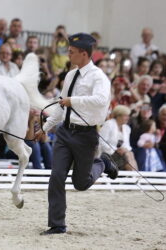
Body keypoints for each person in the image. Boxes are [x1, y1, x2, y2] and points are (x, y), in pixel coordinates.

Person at [35, 33, 118, 235]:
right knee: (56, 176)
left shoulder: (99, 77)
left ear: (84, 53)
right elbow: (60, 107)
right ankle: (57, 224)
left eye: (71, 52)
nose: (68, 55)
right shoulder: (70, 75)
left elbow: (100, 100)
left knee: (81, 183)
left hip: (86, 135)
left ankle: (102, 163)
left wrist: (74, 100)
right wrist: (44, 128)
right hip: (64, 133)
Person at [99, 105, 138, 171]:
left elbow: (127, 145)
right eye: (125, 116)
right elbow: (101, 142)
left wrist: (124, 149)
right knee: (128, 155)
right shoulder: (109, 124)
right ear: (118, 116)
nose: (128, 118)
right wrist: (115, 150)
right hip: (107, 154)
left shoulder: (127, 128)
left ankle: (135, 176)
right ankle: (135, 177)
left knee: (130, 153)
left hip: (121, 155)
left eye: (128, 116)